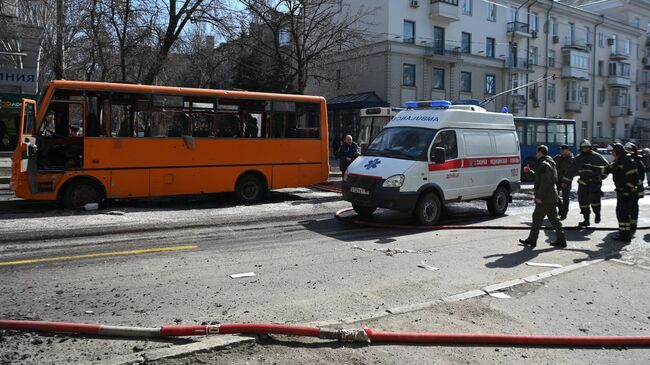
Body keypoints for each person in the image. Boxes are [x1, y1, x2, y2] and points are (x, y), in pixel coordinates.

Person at [519, 145, 567, 248]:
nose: (536, 154)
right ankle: (561, 240)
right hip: (551, 196)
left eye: (537, 153)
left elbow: (546, 182)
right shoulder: (548, 163)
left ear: (540, 153)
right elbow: (539, 177)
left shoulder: (544, 165)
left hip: (546, 197)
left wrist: (539, 196)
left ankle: (532, 240)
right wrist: (529, 172)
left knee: (537, 217)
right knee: (554, 219)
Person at [590, 143, 639, 242]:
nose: (612, 153)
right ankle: (624, 234)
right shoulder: (618, 161)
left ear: (618, 152)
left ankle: (625, 236)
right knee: (621, 213)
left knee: (623, 214)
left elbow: (634, 178)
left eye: (613, 152)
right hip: (622, 192)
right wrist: (594, 167)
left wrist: (626, 190)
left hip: (628, 193)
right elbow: (608, 169)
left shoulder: (628, 162)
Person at [561, 139, 608, 227]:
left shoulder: (596, 156)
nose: (585, 149)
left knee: (594, 200)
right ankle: (586, 220)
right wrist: (565, 181)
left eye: (587, 148)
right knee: (583, 201)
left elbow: (606, 167)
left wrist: (601, 177)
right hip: (583, 182)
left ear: (590, 148)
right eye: (583, 148)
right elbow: (571, 170)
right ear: (581, 148)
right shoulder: (578, 159)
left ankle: (597, 214)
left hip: (594, 182)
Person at [624, 142, 645, 235]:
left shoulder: (637, 162)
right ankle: (629, 226)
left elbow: (640, 177)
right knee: (627, 208)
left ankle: (632, 226)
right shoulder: (627, 161)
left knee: (633, 208)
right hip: (627, 189)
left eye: (629, 150)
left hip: (634, 189)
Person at [553, 144, 574, 220]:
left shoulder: (571, 159)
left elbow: (572, 171)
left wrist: (566, 180)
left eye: (563, 150)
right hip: (557, 180)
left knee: (565, 198)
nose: (561, 151)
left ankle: (564, 214)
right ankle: (561, 209)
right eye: (560, 150)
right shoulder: (558, 157)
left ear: (567, 150)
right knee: (555, 195)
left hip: (566, 181)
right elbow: (551, 163)